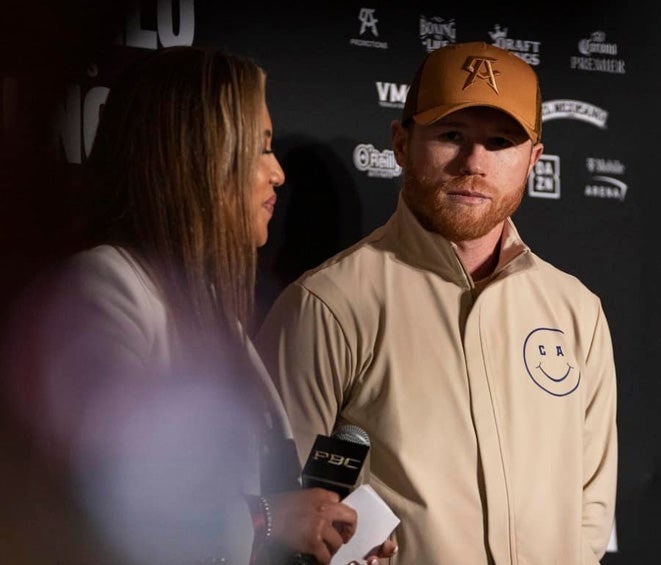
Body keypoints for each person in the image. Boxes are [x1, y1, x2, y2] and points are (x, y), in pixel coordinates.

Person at [1, 46, 394, 565]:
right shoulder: (104, 286)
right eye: (260, 148)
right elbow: (94, 506)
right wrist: (271, 520)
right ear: (198, 157)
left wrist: (325, 534)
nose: (277, 174)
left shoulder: (209, 307)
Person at [254, 41, 619, 564]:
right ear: (402, 142)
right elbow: (287, 514)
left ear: (533, 159)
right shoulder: (327, 303)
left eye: (500, 142)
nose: (474, 162)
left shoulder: (576, 310)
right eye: (452, 135)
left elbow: (590, 511)